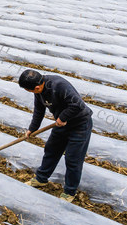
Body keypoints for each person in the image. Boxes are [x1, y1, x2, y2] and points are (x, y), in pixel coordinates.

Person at [18, 68, 93, 203]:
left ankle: (69, 192)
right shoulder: (39, 92)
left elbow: (78, 104)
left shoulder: (59, 85)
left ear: (36, 87)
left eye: (28, 90)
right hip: (61, 124)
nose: (29, 92)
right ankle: (41, 179)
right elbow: (39, 111)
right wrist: (32, 129)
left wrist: (63, 117)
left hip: (80, 124)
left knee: (72, 158)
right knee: (51, 149)